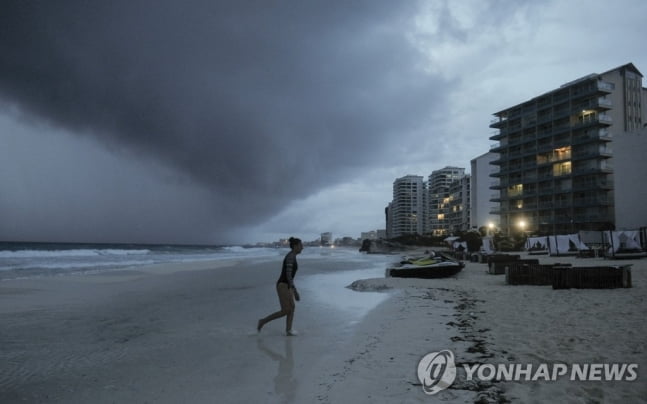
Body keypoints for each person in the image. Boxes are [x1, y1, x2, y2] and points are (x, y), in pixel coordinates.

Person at [257, 237, 303, 336]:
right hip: (283, 285)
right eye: (300, 245)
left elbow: (289, 277)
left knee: (292, 307)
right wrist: (295, 292)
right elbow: (288, 275)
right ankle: (262, 321)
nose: (302, 248)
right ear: (295, 246)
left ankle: (289, 330)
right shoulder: (290, 257)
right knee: (285, 310)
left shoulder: (293, 256)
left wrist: (292, 289)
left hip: (287, 285)